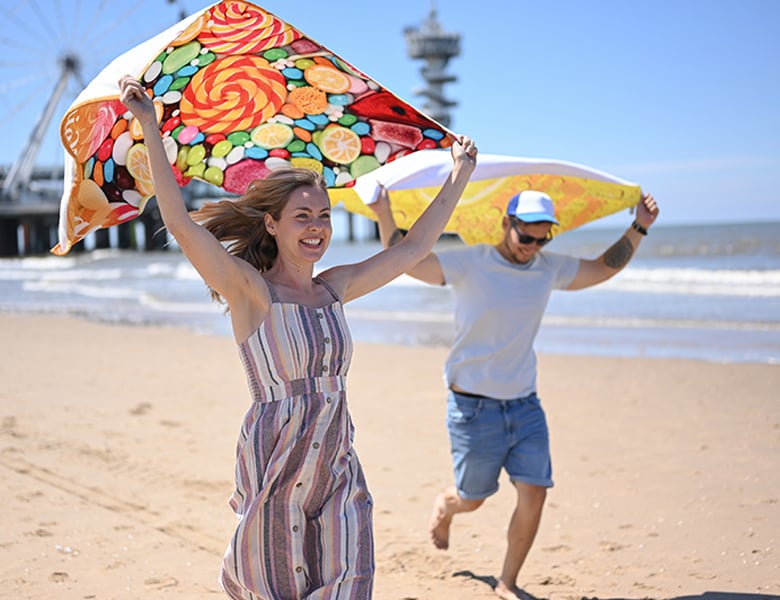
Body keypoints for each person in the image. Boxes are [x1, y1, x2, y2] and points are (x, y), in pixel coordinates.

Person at [117, 75, 477, 600]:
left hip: (335, 459)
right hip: (276, 463)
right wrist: (149, 124)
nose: (317, 227)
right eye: (302, 216)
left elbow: (412, 249)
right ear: (272, 225)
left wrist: (459, 174)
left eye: (325, 217)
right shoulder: (250, 292)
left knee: (349, 580)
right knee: (277, 585)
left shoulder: (336, 287)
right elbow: (183, 226)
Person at [370, 187, 659, 599]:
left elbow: (601, 269)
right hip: (472, 407)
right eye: (527, 237)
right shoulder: (472, 263)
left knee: (535, 491)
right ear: (507, 224)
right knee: (472, 499)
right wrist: (384, 213)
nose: (534, 247)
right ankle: (447, 507)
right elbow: (408, 261)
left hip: (525, 404)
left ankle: (508, 581)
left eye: (544, 239)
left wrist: (638, 228)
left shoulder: (547, 268)